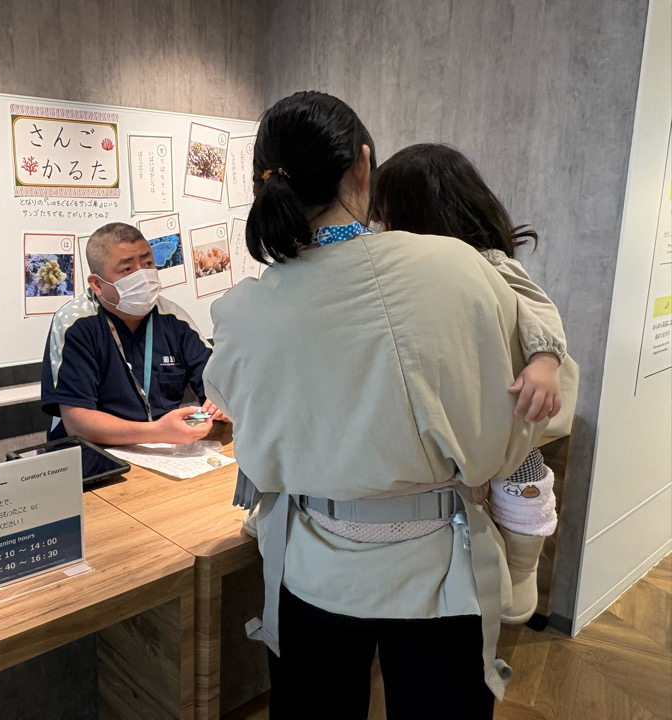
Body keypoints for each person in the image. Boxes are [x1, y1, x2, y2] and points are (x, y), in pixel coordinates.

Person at [203, 92, 574, 719]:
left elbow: (247, 430)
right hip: (441, 567)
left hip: (309, 566)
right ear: (362, 167)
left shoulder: (240, 310)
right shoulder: (460, 267)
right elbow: (521, 420)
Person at [369, 143, 579, 624]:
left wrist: (545, 360)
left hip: (499, 408)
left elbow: (540, 309)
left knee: (522, 472)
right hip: (446, 410)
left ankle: (522, 567)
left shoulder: (491, 263)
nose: (379, 228)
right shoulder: (405, 276)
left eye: (386, 217)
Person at [41, 222, 225, 445]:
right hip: (95, 458)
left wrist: (221, 405)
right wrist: (158, 432)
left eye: (148, 263)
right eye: (127, 269)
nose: (143, 276)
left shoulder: (175, 319)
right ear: (97, 284)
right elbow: (78, 422)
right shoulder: (75, 323)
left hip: (167, 452)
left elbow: (219, 385)